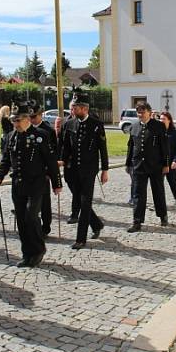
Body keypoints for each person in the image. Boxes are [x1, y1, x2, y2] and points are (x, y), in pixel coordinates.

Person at [0, 103, 62, 265]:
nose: (15, 124)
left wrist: (56, 183)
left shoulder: (41, 135)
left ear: (26, 119)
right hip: (18, 184)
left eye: (18, 120)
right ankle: (27, 254)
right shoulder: (11, 136)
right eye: (13, 121)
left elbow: (51, 162)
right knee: (22, 221)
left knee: (31, 216)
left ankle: (38, 249)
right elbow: (6, 160)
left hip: (37, 184)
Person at [59, 92, 108, 250]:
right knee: (79, 201)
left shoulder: (96, 125)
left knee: (85, 203)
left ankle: (81, 239)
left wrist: (105, 169)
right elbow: (64, 148)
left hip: (88, 170)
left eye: (76, 107)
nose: (73, 110)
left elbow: (103, 149)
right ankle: (97, 224)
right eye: (73, 107)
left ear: (85, 109)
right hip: (71, 171)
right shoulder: (68, 124)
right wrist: (61, 162)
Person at [125, 102, 169, 233]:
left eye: (142, 112)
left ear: (149, 112)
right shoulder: (134, 127)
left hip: (156, 166)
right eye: (138, 112)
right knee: (138, 194)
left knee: (158, 192)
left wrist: (166, 164)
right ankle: (137, 221)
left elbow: (164, 147)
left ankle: (163, 215)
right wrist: (128, 163)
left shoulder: (159, 126)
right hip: (139, 166)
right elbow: (131, 147)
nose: (140, 115)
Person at [29, 100, 56, 237]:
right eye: (30, 117)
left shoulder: (48, 131)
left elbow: (53, 154)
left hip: (43, 172)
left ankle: (46, 227)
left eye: (34, 117)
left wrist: (49, 172)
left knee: (45, 201)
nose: (32, 120)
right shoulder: (26, 129)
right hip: (30, 173)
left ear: (40, 115)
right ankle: (35, 226)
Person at [160, 111, 176, 204]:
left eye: (164, 119)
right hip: (160, 162)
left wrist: (175, 160)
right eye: (160, 119)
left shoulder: (174, 133)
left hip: (171, 161)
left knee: (171, 180)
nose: (161, 120)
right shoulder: (158, 132)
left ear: (169, 120)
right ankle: (160, 202)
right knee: (159, 182)